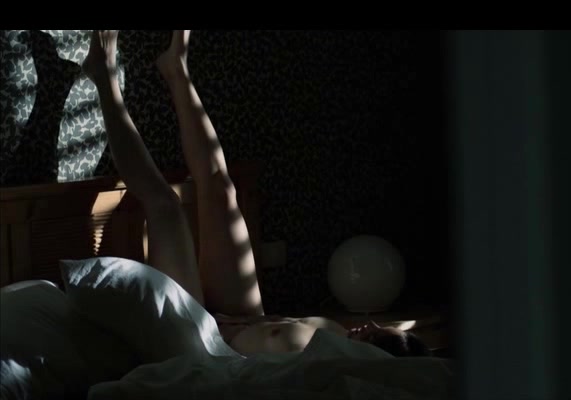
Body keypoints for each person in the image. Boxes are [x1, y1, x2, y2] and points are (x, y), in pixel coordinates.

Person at [82, 30, 432, 358]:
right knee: (221, 188)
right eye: (378, 329)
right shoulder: (338, 334)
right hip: (244, 319)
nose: (370, 326)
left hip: (206, 345)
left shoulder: (329, 373)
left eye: (376, 337)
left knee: (166, 206)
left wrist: (219, 329)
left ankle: (103, 73)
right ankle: (176, 69)